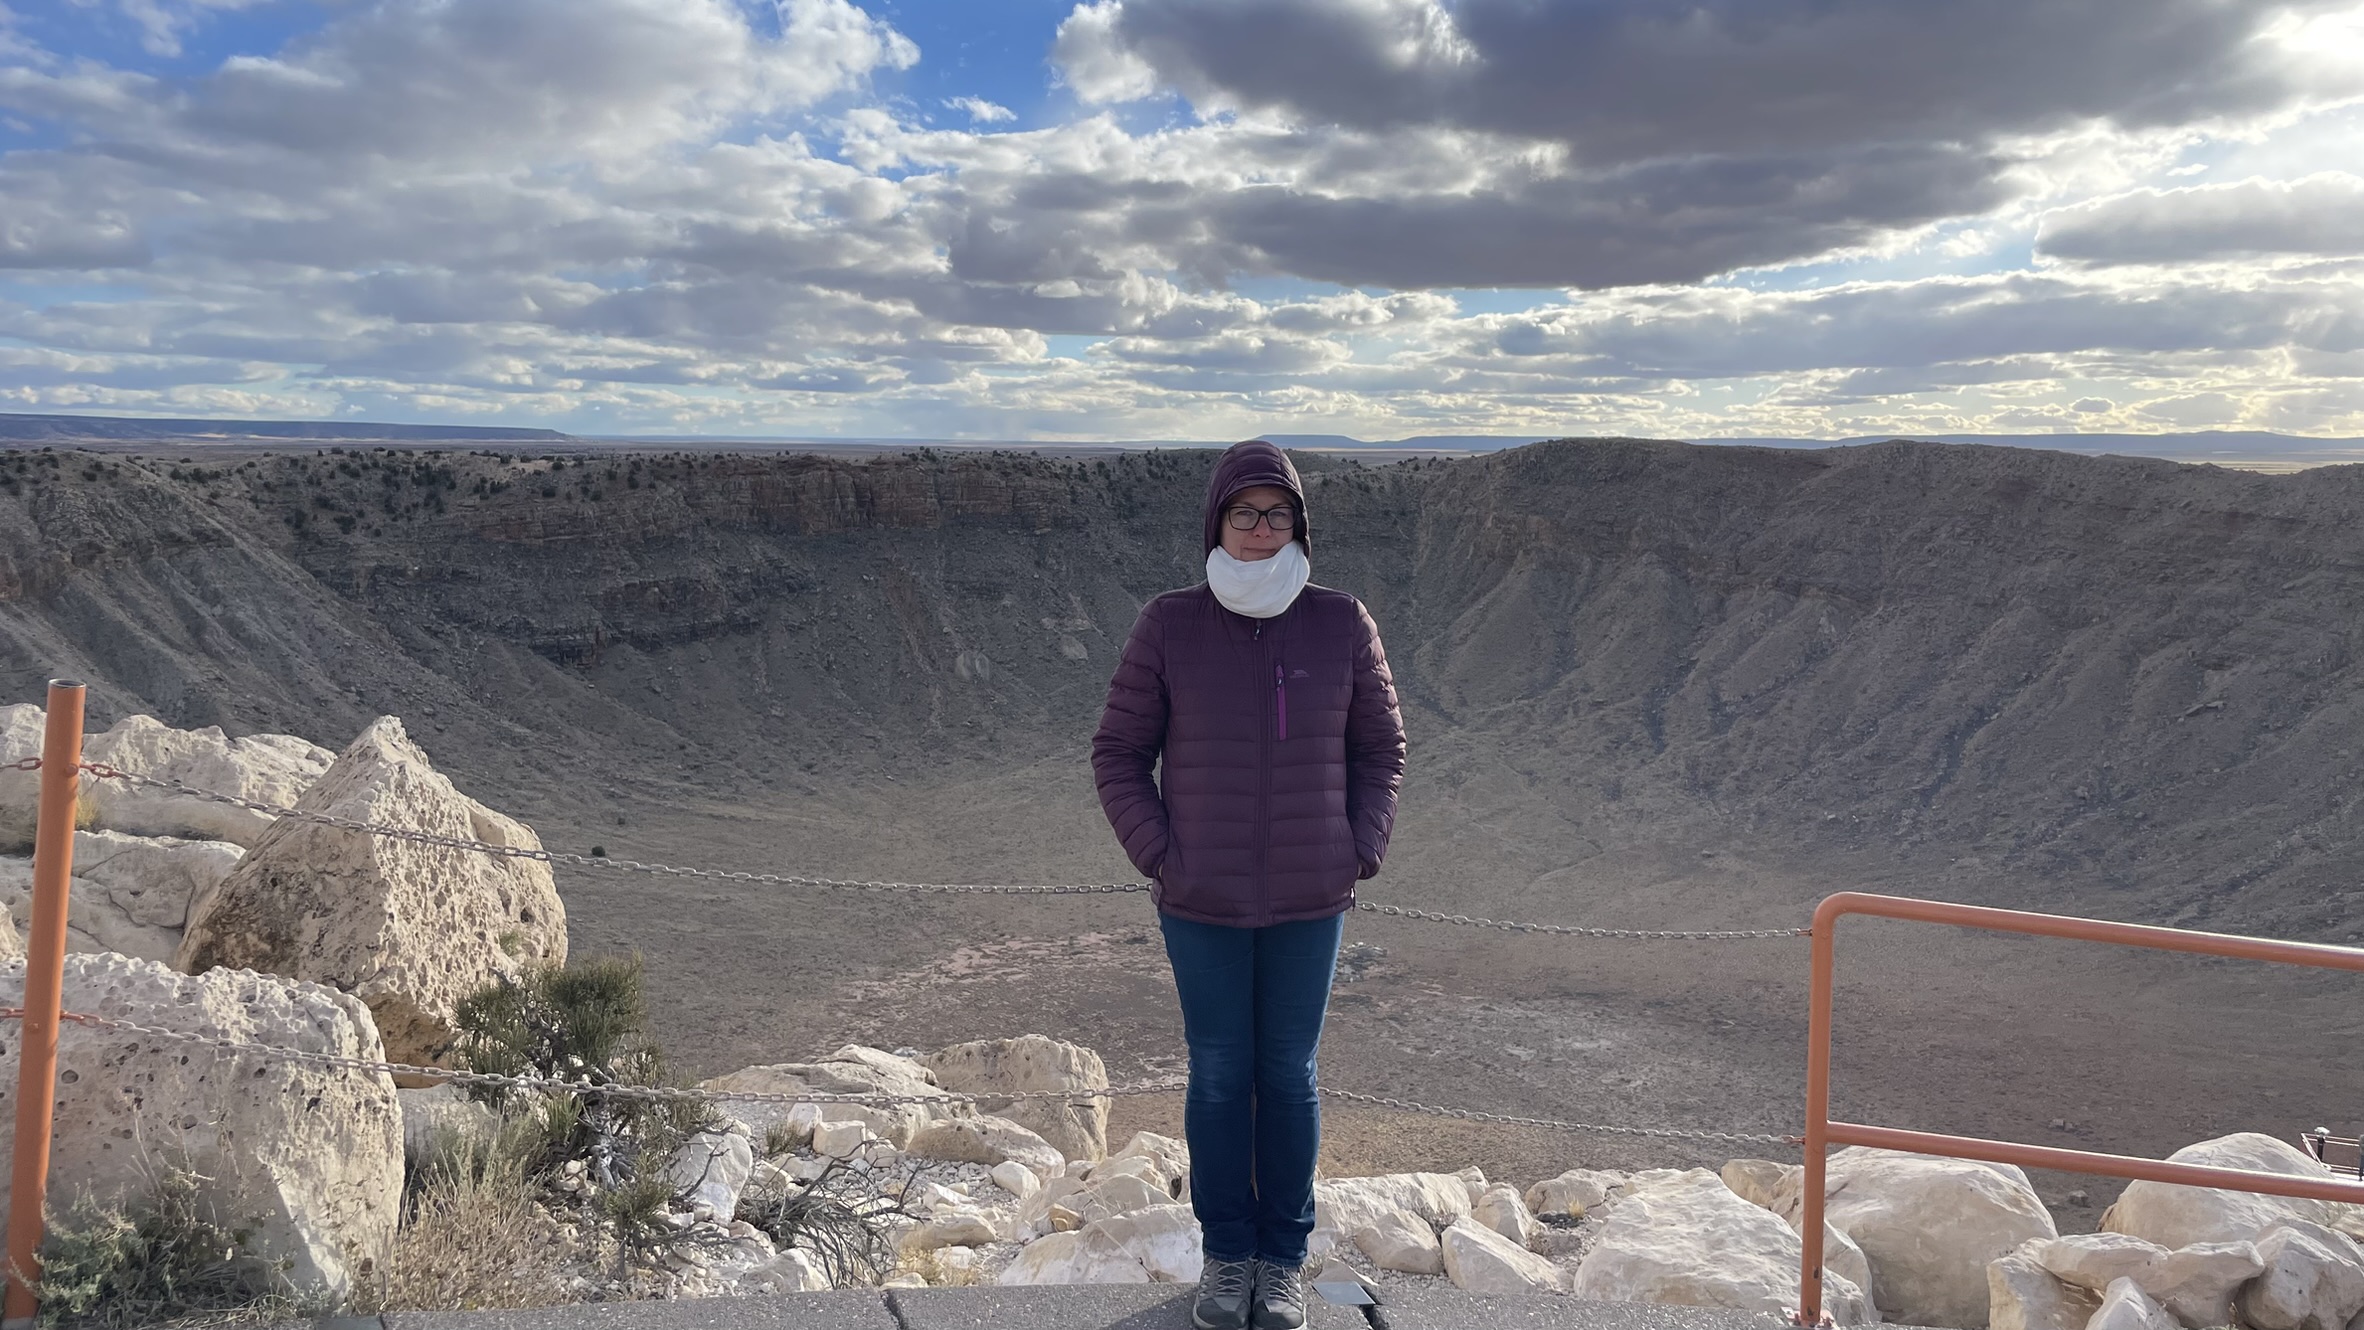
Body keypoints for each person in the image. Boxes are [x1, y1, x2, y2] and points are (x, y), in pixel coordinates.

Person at [1091, 439, 1408, 1330]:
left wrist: (1358, 849)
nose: (1261, 529)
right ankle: (1226, 1259)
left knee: (1291, 1076)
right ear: (1217, 523)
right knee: (1223, 1075)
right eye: (1244, 512)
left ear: (1299, 524)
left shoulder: (1341, 623)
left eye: (1277, 513)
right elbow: (1118, 752)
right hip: (1202, 902)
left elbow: (1381, 751)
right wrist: (1161, 852)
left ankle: (1282, 1264)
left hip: (1313, 898)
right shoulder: (1171, 623)